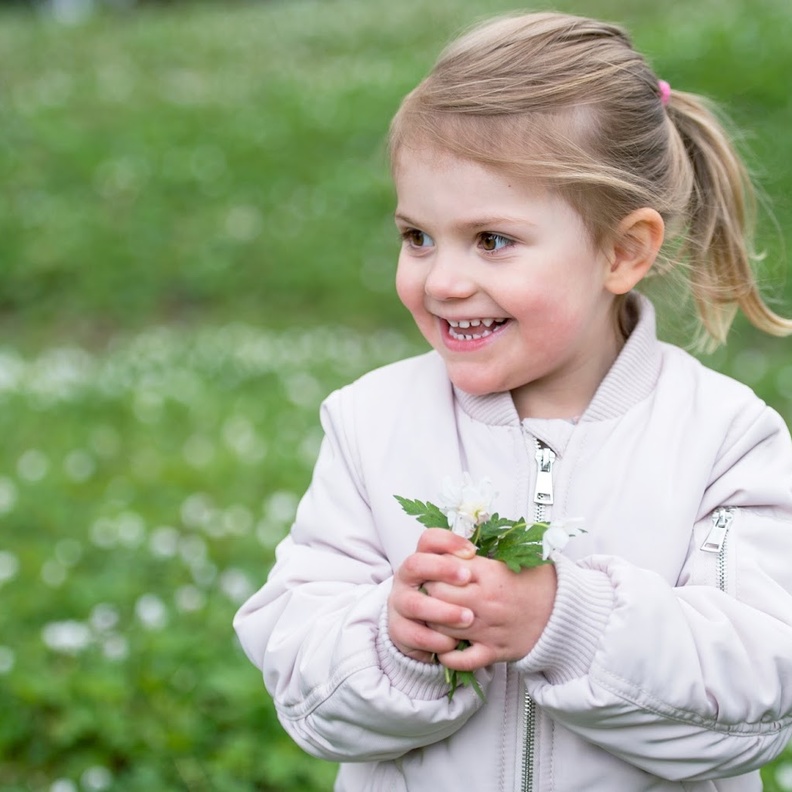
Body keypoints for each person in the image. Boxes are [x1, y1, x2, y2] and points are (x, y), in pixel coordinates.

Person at [234, 11, 792, 791]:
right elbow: (304, 684)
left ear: (624, 251)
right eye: (417, 236)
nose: (442, 280)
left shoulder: (723, 439)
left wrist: (565, 621)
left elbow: (759, 701)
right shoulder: (370, 424)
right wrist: (395, 644)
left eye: (491, 240)